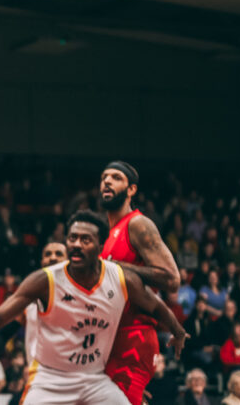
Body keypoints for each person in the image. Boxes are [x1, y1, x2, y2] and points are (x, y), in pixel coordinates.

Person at [0, 210, 188, 405]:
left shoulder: (120, 278)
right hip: (51, 379)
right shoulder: (44, 281)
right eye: (72, 238)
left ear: (101, 246)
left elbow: (156, 307)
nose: (77, 244)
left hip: (94, 378)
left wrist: (177, 331)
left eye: (85, 240)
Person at [99, 160, 182, 405]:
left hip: (134, 335)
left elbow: (172, 279)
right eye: (104, 177)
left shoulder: (137, 224)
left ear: (132, 189)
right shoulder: (107, 234)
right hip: (112, 339)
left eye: (116, 177)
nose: (107, 181)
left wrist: (117, 267)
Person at [24, 242, 68, 363]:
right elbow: (6, 329)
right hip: (38, 370)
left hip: (70, 369)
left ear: (68, 261)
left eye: (59, 254)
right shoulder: (29, 297)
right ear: (42, 262)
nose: (53, 258)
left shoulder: (80, 295)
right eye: (48, 254)